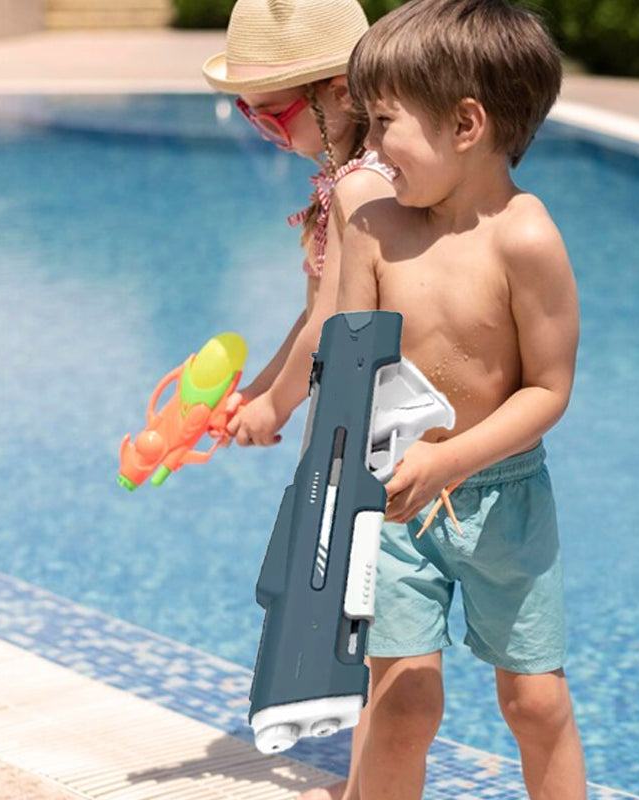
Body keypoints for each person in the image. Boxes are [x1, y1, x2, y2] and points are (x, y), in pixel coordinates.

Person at [338, 1, 587, 797]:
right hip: (395, 502)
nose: (369, 148)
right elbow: (346, 365)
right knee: (403, 699)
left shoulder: (525, 238)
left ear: (466, 123)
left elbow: (549, 390)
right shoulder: (374, 227)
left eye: (382, 124)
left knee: (535, 702)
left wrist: (451, 459)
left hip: (502, 501)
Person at [202, 2, 394, 798]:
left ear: (341, 91)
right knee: (370, 628)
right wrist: (260, 385)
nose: (261, 127)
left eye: (272, 109)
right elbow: (310, 313)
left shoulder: (366, 185)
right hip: (358, 422)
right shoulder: (343, 178)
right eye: (247, 112)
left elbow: (331, 323)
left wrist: (274, 409)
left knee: (379, 630)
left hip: (384, 430)